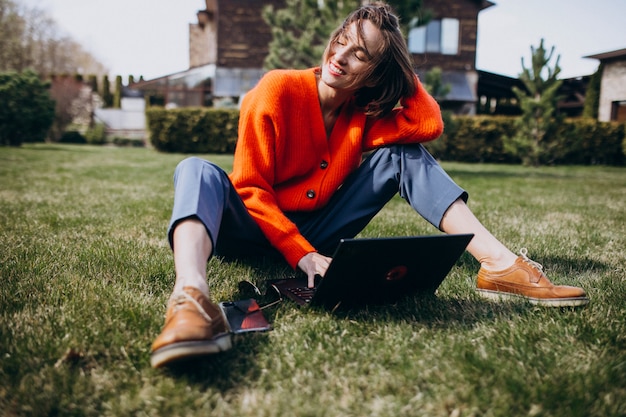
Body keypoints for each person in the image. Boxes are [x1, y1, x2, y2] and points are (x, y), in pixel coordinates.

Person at [150, 2, 588, 368]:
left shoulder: (364, 115)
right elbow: (249, 188)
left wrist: (397, 69)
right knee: (196, 169)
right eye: (341, 41)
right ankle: (191, 297)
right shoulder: (278, 89)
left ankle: (499, 266)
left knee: (402, 155)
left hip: (320, 230)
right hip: (250, 227)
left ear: (377, 71)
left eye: (360, 54)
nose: (340, 56)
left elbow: (426, 123)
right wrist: (300, 255)